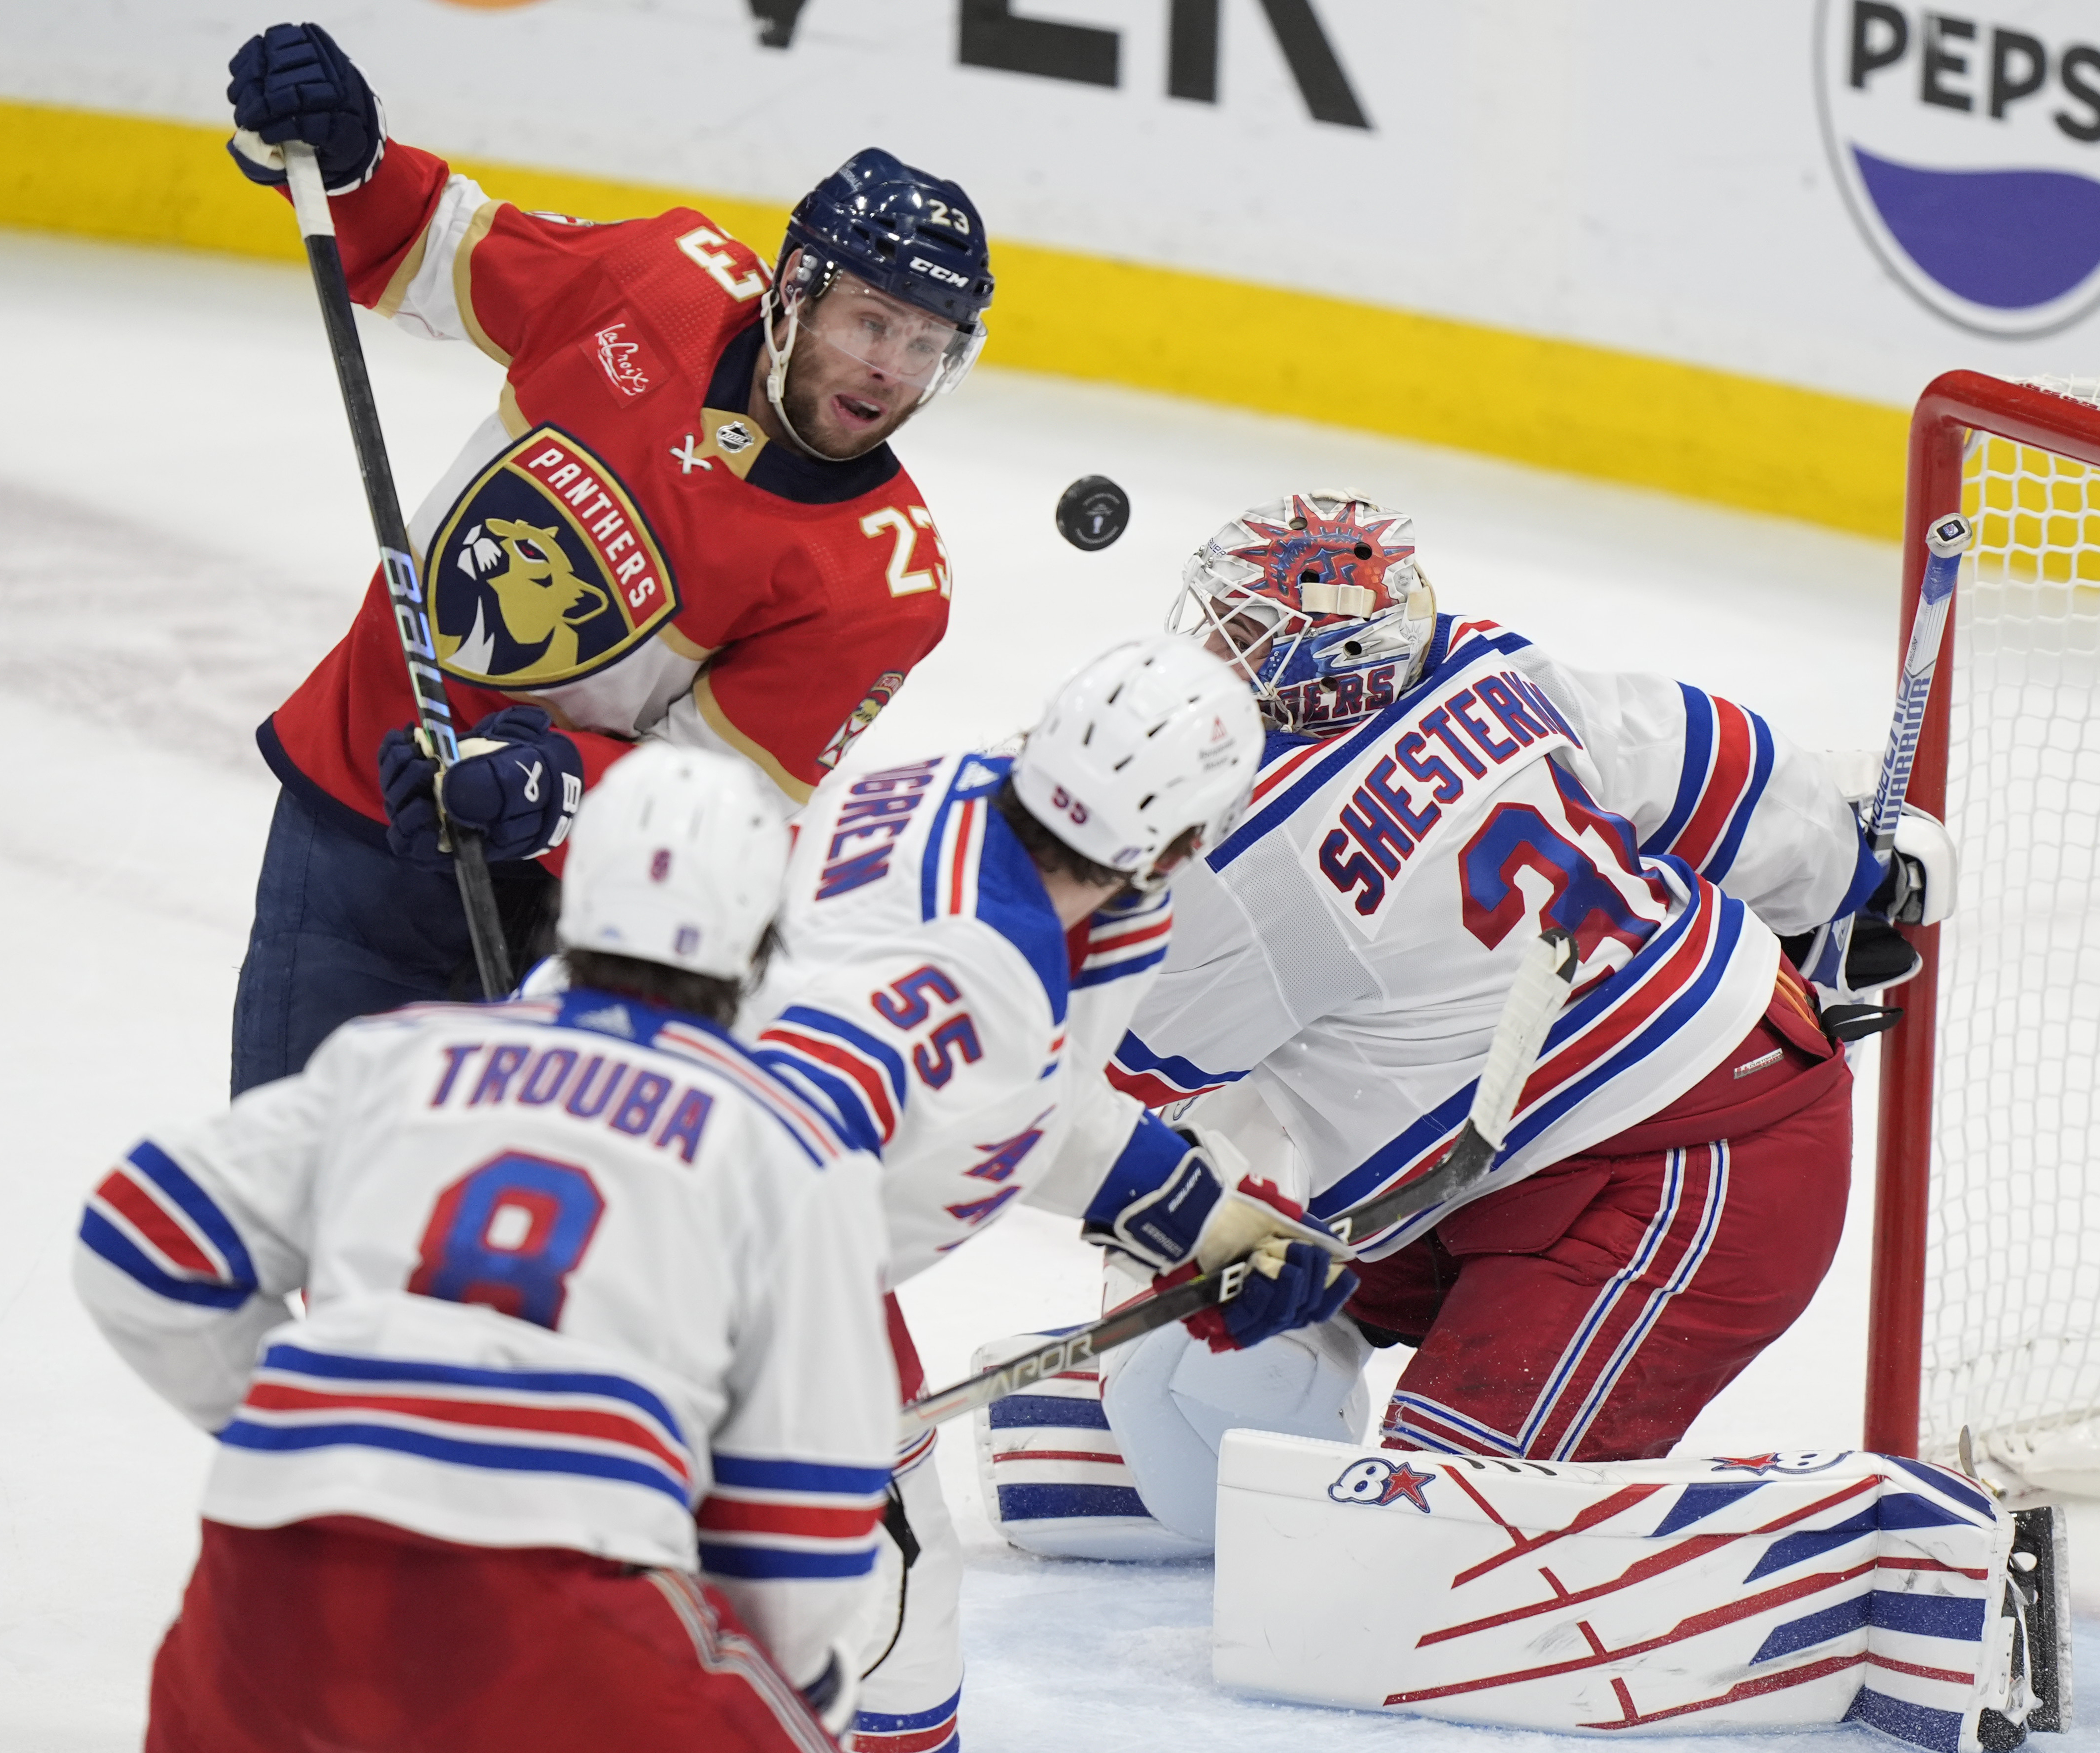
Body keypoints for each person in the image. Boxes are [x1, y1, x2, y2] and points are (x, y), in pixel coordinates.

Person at [1098, 491, 1958, 1478]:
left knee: (1443, 1526)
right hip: (1482, 1167)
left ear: (1317, 660)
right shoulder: (1484, 664)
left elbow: (1111, 1096)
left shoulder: (1257, 868)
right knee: (1178, 1394)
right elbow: (1711, 765)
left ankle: (1836, 1560)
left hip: (1686, 1171)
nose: (1212, 649)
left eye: (1238, 631)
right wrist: (1853, 876)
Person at [73, 745, 899, 1752]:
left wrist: (301, 1421)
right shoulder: (791, 1142)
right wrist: (795, 1689)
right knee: (809, 1710)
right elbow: (796, 1524)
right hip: (552, 1617)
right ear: (762, 942)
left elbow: (141, 1234)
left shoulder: (398, 1053)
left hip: (268, 1584)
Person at [220, 21, 994, 1093]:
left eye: (925, 345)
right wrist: (351, 166)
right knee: (297, 1194)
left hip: (563, 919)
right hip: (357, 791)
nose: (892, 371)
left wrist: (556, 791)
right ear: (796, 291)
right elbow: (432, 251)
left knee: (494, 1245)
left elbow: (724, 799)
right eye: (872, 322)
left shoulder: (881, 580)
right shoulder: (656, 282)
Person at [741, 635, 1356, 1752]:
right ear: (1175, 839)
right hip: (737, 1276)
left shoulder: (968, 802)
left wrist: (1200, 1220)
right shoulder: (980, 979)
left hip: (710, 1218)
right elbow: (980, 1121)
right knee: (877, 1608)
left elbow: (1042, 1104)